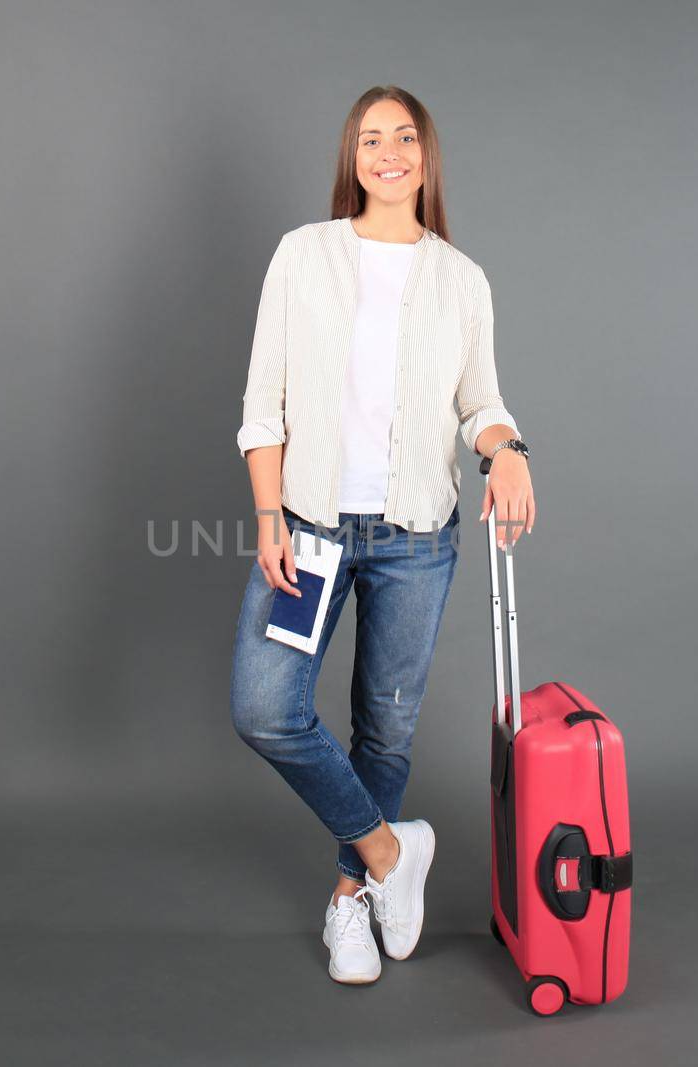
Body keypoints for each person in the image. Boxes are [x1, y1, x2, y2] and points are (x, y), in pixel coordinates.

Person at [230, 85, 535, 985]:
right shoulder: (304, 255)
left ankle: (348, 903)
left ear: (426, 156)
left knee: (385, 731)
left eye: (405, 137)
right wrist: (268, 512)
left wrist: (508, 450)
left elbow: (480, 403)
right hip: (312, 527)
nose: (389, 151)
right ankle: (394, 854)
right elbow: (263, 401)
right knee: (265, 707)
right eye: (372, 138)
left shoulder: (461, 279)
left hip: (416, 538)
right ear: (352, 156)